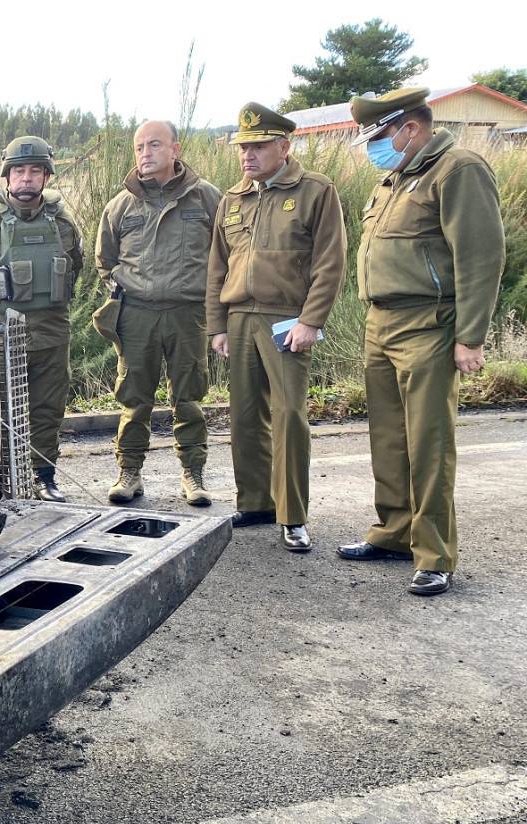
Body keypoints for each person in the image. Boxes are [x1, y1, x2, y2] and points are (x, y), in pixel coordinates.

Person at [337, 88, 506, 596]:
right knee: (389, 437)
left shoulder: (457, 170)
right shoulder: (394, 179)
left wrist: (470, 337)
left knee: (429, 443)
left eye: (379, 136)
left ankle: (434, 554)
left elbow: (481, 257)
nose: (373, 148)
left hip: (429, 324)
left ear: (410, 128)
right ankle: (393, 533)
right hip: (381, 322)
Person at [206, 102, 346, 552]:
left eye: (259, 146)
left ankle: (292, 515)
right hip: (240, 318)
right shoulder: (233, 198)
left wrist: (311, 320)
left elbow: (330, 263)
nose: (248, 155)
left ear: (284, 147)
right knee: (245, 416)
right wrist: (217, 326)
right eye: (243, 147)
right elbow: (216, 268)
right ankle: (255, 502)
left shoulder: (314, 191)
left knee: (288, 416)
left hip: (286, 320)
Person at [0, 135, 85, 502]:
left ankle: (45, 478)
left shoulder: (64, 226)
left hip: (51, 336)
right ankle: (1, 482)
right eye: (19, 171)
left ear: (46, 177)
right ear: (7, 177)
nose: (27, 178)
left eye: (35, 171)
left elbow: (77, 270)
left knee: (47, 410)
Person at [96, 120, 221, 507]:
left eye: (154, 145)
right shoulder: (120, 205)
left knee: (189, 397)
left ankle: (193, 474)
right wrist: (129, 286)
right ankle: (129, 472)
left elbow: (226, 252)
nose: (145, 154)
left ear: (175, 150)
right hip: (137, 316)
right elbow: (105, 260)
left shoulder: (206, 199)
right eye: (139, 147)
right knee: (134, 399)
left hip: (188, 314)